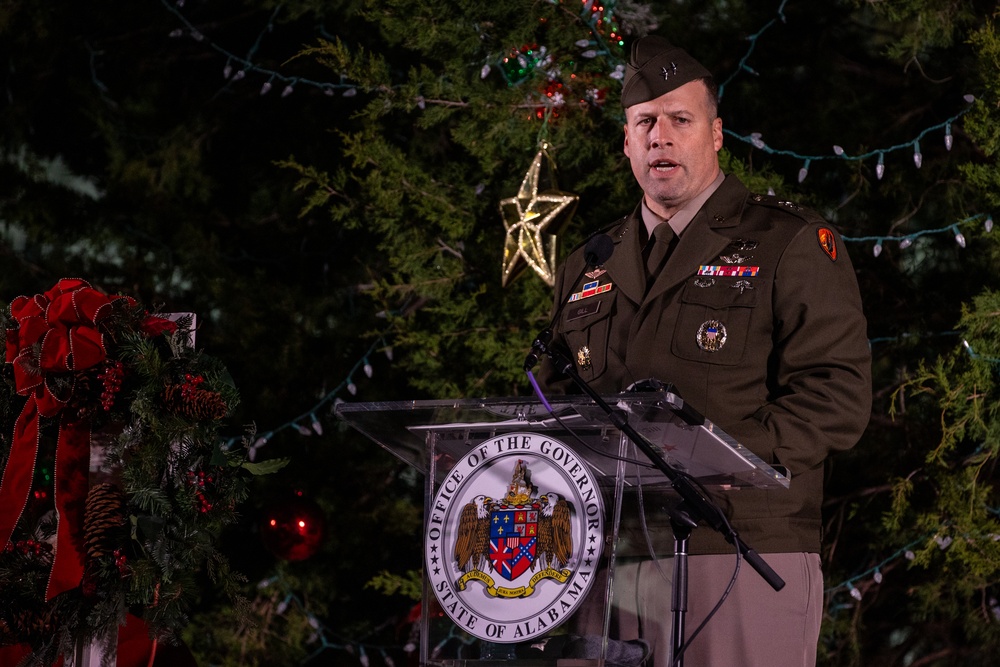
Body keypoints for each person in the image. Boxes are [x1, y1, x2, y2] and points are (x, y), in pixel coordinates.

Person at [537, 35, 872, 666]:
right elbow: (551, 402)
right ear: (627, 143)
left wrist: (719, 461)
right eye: (645, 123)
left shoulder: (789, 243)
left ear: (716, 134)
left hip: (742, 549)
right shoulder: (590, 263)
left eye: (679, 119)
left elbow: (836, 397)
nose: (661, 136)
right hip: (607, 559)